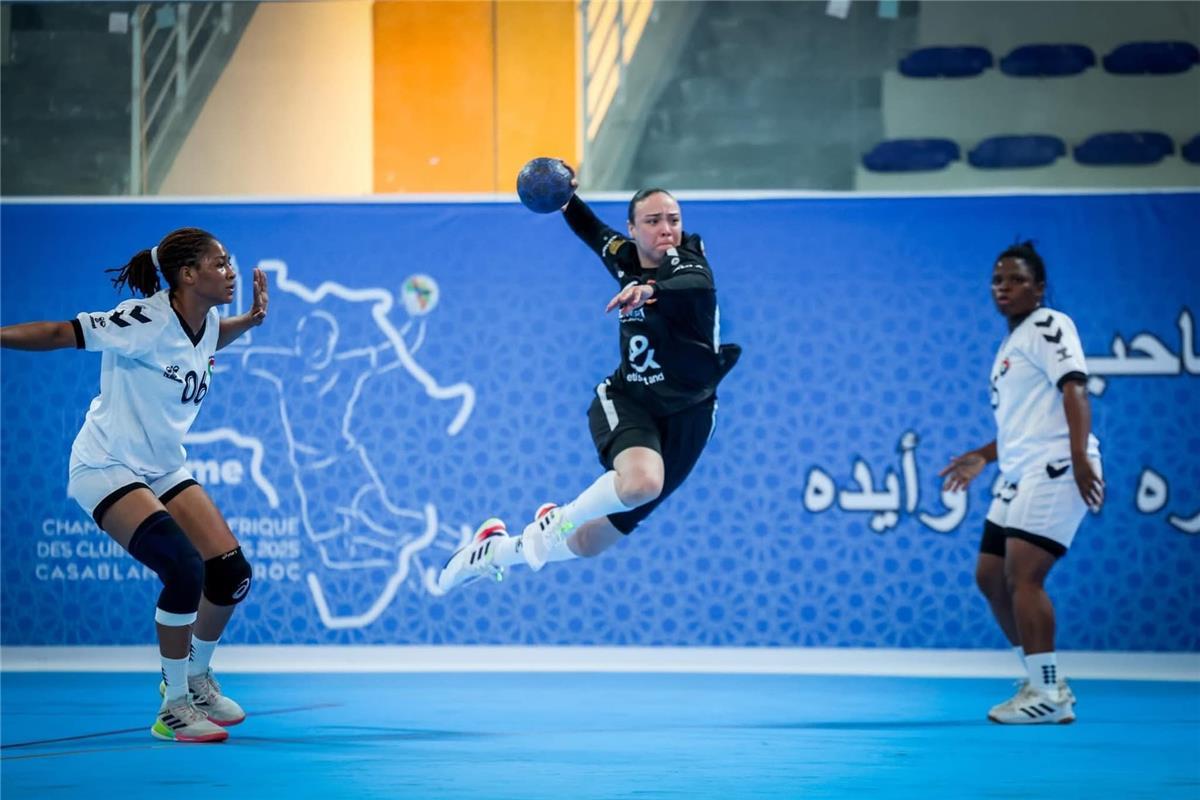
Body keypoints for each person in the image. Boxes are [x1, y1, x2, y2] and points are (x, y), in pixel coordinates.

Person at [0, 227, 269, 742]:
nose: (230, 271)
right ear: (187, 275)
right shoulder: (143, 320)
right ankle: (173, 707)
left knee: (230, 572)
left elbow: (206, 340)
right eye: (219, 263)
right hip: (106, 464)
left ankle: (197, 677)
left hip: (161, 467)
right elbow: (59, 333)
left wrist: (250, 321)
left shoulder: (207, 319)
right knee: (183, 569)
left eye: (229, 261)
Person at [438, 171, 739, 591]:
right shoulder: (625, 257)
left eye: (673, 219)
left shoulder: (688, 262)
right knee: (642, 482)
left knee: (589, 541)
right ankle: (557, 520)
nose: (666, 229)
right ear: (632, 229)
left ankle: (493, 550)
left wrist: (647, 291)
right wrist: (565, 197)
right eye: (653, 220)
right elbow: (593, 231)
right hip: (630, 398)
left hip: (692, 412)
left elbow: (693, 284)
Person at [939, 241, 1103, 725]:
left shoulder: (1049, 325)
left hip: (1054, 468)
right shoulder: (1012, 345)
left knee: (1024, 578)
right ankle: (1040, 678)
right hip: (1019, 471)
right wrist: (983, 456)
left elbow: (1074, 387)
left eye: (1016, 280)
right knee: (990, 577)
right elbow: (1022, 425)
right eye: (997, 280)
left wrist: (1079, 455)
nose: (1003, 288)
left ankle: (1048, 695)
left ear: (1039, 287)